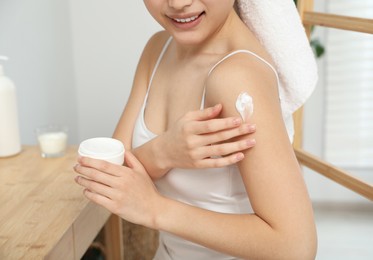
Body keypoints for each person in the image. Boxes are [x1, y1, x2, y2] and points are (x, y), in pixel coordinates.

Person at [74, 0, 318, 259]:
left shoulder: (237, 77)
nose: (178, 3)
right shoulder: (157, 50)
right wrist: (164, 151)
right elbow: (112, 177)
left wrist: (157, 210)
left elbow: (296, 247)